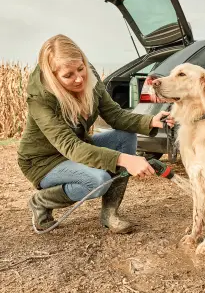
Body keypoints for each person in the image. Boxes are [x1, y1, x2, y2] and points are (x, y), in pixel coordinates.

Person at [17, 34, 174, 234]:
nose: (79, 78)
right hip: (43, 161)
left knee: (126, 137)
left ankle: (110, 213)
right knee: (97, 181)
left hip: (78, 146)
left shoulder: (90, 78)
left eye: (81, 68)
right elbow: (72, 148)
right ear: (52, 77)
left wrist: (150, 121)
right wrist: (125, 160)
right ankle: (40, 201)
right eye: (68, 75)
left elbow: (115, 116)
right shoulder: (41, 100)